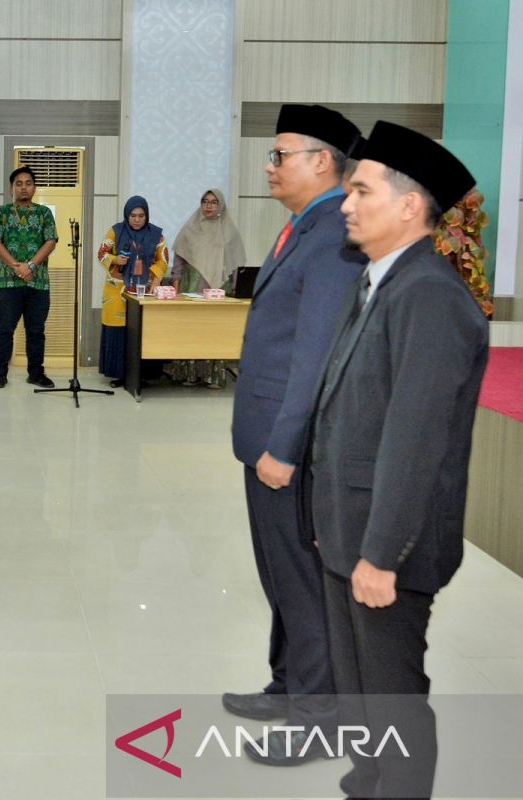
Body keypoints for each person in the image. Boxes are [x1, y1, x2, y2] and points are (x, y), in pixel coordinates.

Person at [309, 121, 485, 799]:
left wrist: (381, 554)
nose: (347, 203)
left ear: (410, 205)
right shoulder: (380, 281)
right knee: (359, 698)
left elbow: (416, 443)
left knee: (392, 702)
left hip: (387, 545)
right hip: (349, 530)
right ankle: (367, 784)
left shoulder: (430, 298)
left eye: (360, 190)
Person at [224, 104, 366, 765]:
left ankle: (319, 718)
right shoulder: (302, 227)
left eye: (280, 154)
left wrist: (284, 445)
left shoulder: (335, 234)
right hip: (265, 440)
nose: (269, 165)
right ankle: (286, 686)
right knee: (280, 572)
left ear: (320, 161)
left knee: (303, 580)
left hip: (290, 447)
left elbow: (314, 356)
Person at [0, 165, 58, 389]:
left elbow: (51, 241)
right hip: (8, 282)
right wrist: (16, 266)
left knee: (36, 331)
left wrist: (31, 265)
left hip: (38, 283)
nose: (23, 187)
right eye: (19, 184)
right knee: (4, 330)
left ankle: (36, 373)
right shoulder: (2, 212)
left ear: (34, 188)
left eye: (28, 183)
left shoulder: (44, 213)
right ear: (12, 189)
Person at [168, 189, 247, 389]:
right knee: (191, 329)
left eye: (213, 202)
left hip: (219, 290)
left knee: (214, 330)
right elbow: (179, 262)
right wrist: (175, 289)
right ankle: (191, 374)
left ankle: (214, 376)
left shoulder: (229, 231)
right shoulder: (190, 228)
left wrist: (237, 292)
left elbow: (235, 264)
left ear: (220, 205)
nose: (209, 206)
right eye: (205, 201)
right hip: (192, 287)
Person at [96, 196, 168, 387]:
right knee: (118, 332)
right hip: (117, 289)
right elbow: (101, 254)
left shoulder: (156, 235)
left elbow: (163, 260)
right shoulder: (115, 231)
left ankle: (143, 376)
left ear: (147, 215)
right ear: (127, 216)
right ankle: (120, 375)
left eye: (141, 215)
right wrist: (114, 259)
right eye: (133, 215)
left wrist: (156, 277)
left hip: (145, 290)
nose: (137, 219)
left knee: (142, 331)